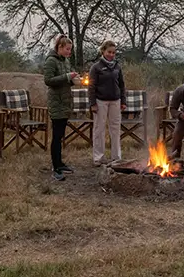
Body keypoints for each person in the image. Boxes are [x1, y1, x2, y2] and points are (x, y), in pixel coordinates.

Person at [43, 34, 80, 181]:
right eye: (67, 49)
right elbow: (48, 80)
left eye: (70, 50)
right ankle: (56, 167)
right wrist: (67, 77)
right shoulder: (51, 61)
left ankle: (60, 162)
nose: (69, 52)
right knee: (57, 137)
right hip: (56, 103)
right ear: (60, 47)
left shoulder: (65, 61)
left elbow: (67, 79)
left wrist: (73, 80)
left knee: (61, 135)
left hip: (65, 102)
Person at [88, 40, 127, 166]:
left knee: (115, 129)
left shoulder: (117, 66)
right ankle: (98, 158)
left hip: (116, 101)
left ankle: (116, 157)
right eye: (109, 52)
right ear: (103, 51)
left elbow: (121, 85)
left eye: (114, 53)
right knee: (99, 129)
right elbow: (91, 87)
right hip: (100, 102)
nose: (111, 54)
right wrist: (92, 103)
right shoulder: (96, 67)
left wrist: (123, 100)